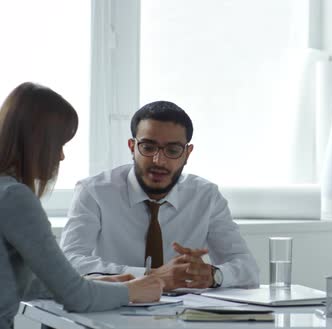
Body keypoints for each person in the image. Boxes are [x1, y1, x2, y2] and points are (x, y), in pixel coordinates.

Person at [0, 82, 164, 329]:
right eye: (59, 144)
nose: (61, 156)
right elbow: (75, 297)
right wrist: (132, 290)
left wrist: (105, 286)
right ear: (38, 142)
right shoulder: (14, 197)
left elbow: (19, 283)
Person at [60, 101, 259, 291]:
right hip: (113, 309)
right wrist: (150, 275)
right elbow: (70, 261)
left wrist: (213, 275)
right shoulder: (94, 191)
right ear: (132, 147)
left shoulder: (206, 196)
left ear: (187, 154)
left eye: (172, 150)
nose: (159, 160)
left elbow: (248, 269)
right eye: (148, 147)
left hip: (183, 317)